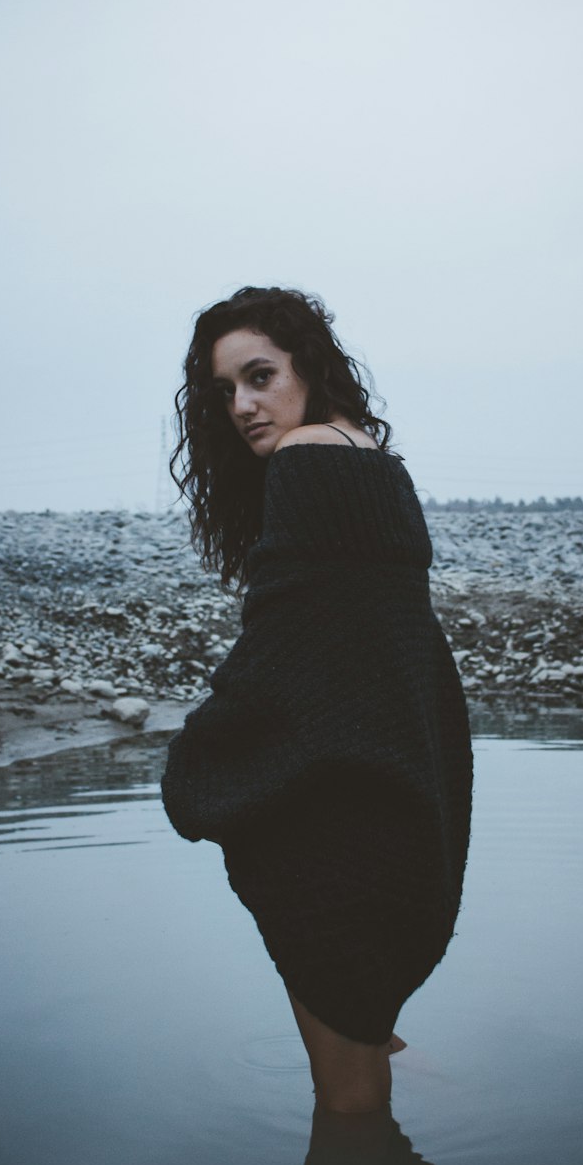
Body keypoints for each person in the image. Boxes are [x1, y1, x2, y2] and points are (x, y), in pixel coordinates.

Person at [161, 285, 472, 1116]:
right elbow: (373, 649)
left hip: (342, 828)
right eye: (225, 390)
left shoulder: (305, 458)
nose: (242, 405)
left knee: (347, 1107)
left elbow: (281, 651)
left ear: (309, 367)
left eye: (260, 375)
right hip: (399, 802)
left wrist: (195, 756)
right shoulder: (371, 458)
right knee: (359, 1038)